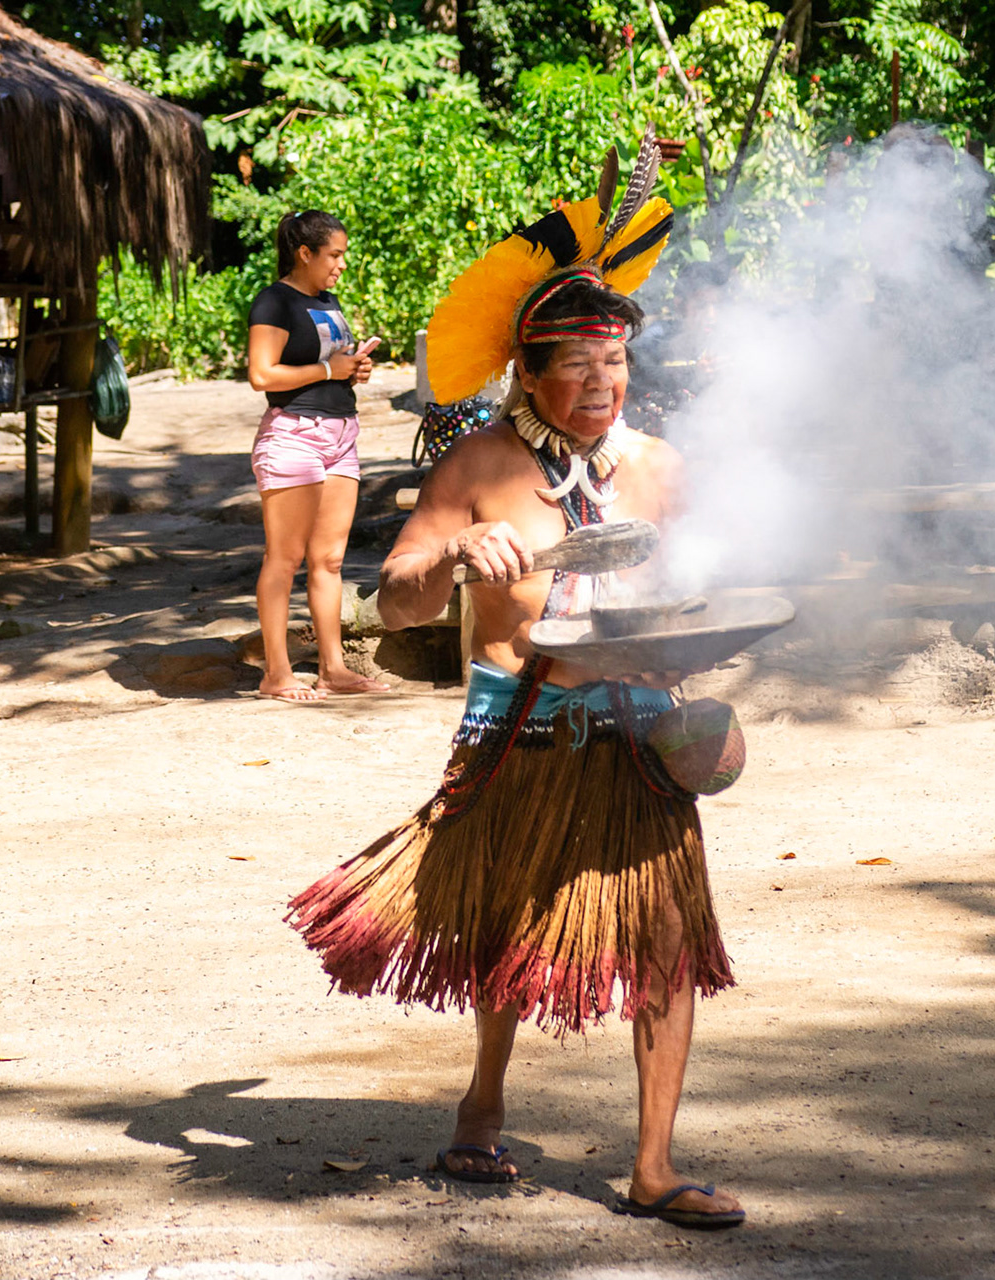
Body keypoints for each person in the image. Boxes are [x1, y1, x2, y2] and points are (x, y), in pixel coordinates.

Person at [287, 144, 745, 1230]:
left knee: (668, 938)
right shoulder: (480, 465)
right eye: (579, 368)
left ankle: (653, 1161)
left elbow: (702, 589)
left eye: (616, 365)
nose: (603, 386)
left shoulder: (660, 468)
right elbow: (391, 599)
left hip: (635, 725)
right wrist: (455, 560)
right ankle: (483, 1100)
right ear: (527, 374)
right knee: (504, 923)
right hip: (521, 727)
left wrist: (699, 630)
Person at [245, 210, 389, 703]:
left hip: (341, 434)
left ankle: (334, 668)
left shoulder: (327, 301)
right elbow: (263, 375)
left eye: (343, 255)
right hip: (294, 435)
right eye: (334, 255)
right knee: (284, 559)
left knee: (329, 560)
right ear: (304, 254)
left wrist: (352, 371)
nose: (341, 264)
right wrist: (329, 368)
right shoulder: (274, 301)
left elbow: (326, 366)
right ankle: (277, 673)